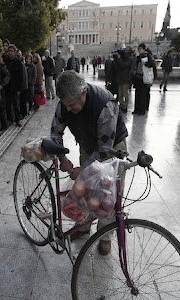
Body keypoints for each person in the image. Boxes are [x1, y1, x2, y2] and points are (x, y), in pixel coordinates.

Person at [51, 70, 128, 255]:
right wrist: (62, 157)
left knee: (108, 194)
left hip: (112, 148)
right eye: (65, 105)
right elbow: (55, 133)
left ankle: (105, 235)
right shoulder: (64, 104)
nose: (68, 109)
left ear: (84, 92)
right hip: (87, 145)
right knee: (85, 191)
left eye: (72, 104)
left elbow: (104, 149)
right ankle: (83, 227)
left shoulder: (104, 105)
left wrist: (83, 168)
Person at [4, 44, 26, 126]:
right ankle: (10, 119)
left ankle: (17, 119)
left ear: (15, 52)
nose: (10, 53)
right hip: (8, 86)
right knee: (8, 104)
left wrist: (20, 89)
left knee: (16, 104)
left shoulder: (18, 62)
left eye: (12, 51)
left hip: (16, 87)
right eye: (9, 51)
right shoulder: (5, 61)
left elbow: (22, 76)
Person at [132, 44, 155, 115]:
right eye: (139, 49)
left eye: (141, 49)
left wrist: (145, 63)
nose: (139, 50)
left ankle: (142, 109)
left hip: (143, 78)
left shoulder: (146, 56)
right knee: (137, 94)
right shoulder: (139, 57)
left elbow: (151, 65)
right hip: (138, 77)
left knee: (142, 94)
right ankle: (137, 108)